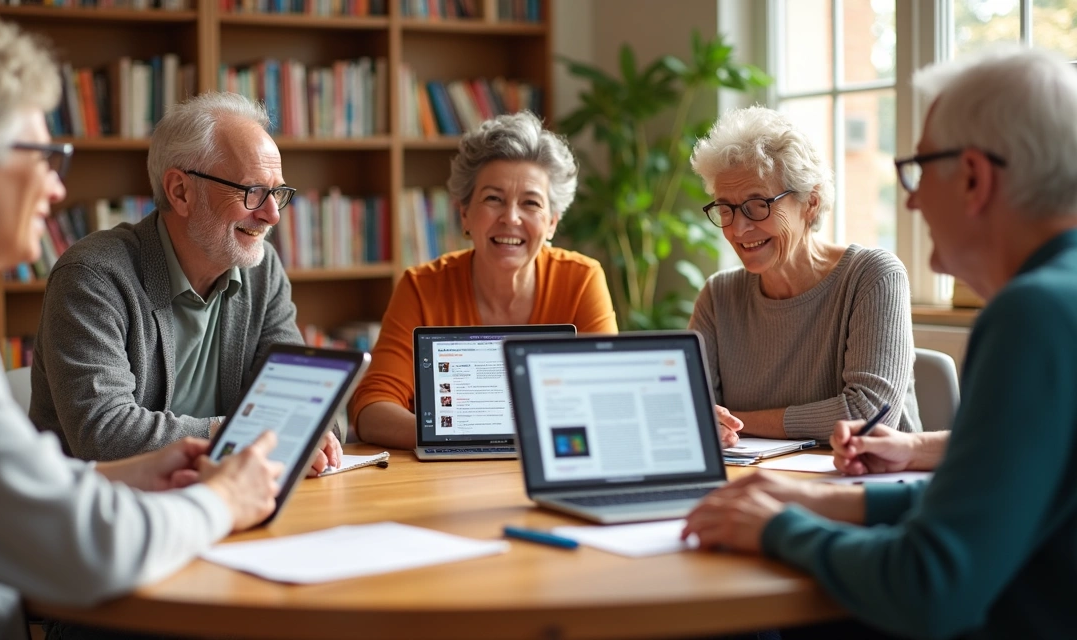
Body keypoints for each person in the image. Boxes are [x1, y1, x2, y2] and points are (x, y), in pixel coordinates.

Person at [0, 16, 286, 639]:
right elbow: (87, 548)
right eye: (46, 156)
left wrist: (131, 472)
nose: (58, 189)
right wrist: (223, 499)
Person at [683, 46, 1077, 638]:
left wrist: (776, 526)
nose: (912, 200)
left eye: (920, 171)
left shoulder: (1033, 313)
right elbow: (988, 497)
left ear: (973, 176)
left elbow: (930, 584)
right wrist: (819, 501)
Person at [30, 92, 341, 475]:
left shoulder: (263, 269)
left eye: (277, 192)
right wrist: (238, 435)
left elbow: (304, 399)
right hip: (102, 516)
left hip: (226, 499)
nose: (272, 215)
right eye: (253, 192)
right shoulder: (91, 276)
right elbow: (105, 434)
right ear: (180, 191)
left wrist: (316, 430)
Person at [349, 111, 618, 449]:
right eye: (494, 199)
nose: (511, 218)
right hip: (445, 480)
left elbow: (607, 398)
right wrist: (463, 439)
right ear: (465, 213)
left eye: (530, 203)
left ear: (551, 223)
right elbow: (371, 408)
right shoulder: (422, 287)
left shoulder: (581, 280)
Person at [687, 106, 920, 447]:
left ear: (809, 202)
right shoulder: (718, 296)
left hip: (866, 485)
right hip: (759, 483)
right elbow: (690, 411)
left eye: (757, 204)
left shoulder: (872, 277)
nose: (738, 228)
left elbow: (868, 415)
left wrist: (738, 421)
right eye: (725, 208)